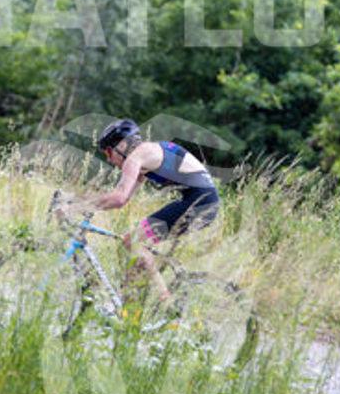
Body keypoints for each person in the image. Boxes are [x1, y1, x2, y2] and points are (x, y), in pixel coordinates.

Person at [59, 119, 220, 305]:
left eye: (109, 152)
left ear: (121, 145)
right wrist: (78, 200)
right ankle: (127, 308)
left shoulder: (136, 157)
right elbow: (123, 197)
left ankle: (166, 301)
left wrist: (74, 208)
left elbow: (118, 199)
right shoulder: (146, 154)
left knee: (133, 241)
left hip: (198, 202)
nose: (109, 159)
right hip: (203, 201)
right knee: (134, 249)